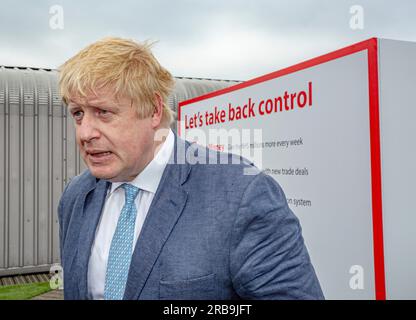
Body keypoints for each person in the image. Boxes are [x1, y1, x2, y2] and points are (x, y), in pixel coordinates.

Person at [57, 37, 324, 300]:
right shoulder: (76, 196)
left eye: (103, 112)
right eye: (78, 113)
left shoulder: (241, 194)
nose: (85, 133)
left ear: (153, 110)